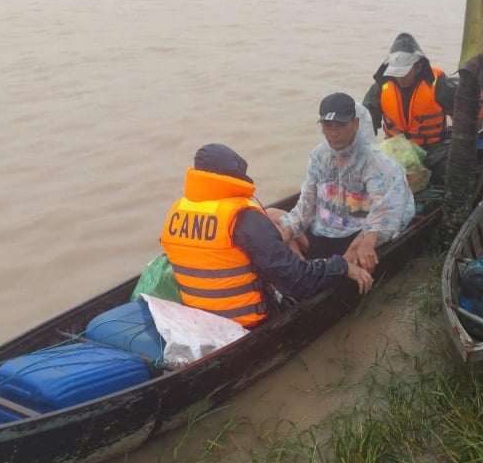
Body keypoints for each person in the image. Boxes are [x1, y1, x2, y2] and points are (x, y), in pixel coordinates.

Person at [160, 143, 373, 328]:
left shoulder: (177, 213)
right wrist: (341, 267)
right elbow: (297, 281)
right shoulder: (243, 219)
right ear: (236, 176)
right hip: (248, 320)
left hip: (201, 316)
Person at [273, 92, 416, 273]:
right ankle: (302, 267)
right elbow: (306, 203)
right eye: (328, 125)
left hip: (356, 233)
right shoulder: (319, 155)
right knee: (270, 216)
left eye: (340, 125)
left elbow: (386, 211)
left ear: (355, 124)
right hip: (323, 228)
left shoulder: (377, 162)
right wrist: (286, 233)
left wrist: (369, 241)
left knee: (362, 247)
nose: (333, 133)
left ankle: (338, 269)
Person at [363, 33, 458, 174]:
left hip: (433, 150)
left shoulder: (439, 84)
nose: (399, 77)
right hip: (397, 150)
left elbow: (465, 114)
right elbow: (366, 122)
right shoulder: (381, 87)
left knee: (452, 167)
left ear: (418, 67)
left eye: (404, 72)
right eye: (396, 72)